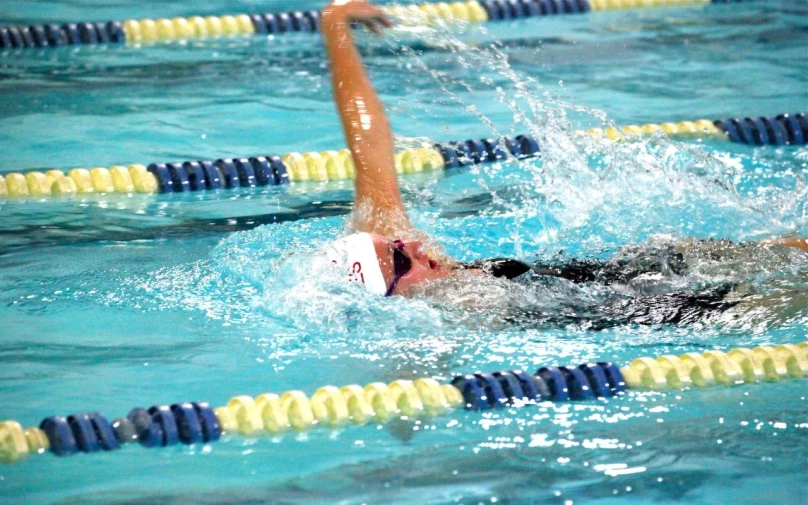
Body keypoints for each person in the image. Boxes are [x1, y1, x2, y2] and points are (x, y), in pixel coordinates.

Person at [320, 0, 807, 326]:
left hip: (623, 270)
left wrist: (334, 24)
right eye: (401, 258)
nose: (411, 242)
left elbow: (369, 148)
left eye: (395, 242)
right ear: (393, 297)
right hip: (651, 312)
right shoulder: (455, 316)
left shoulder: (386, 250)